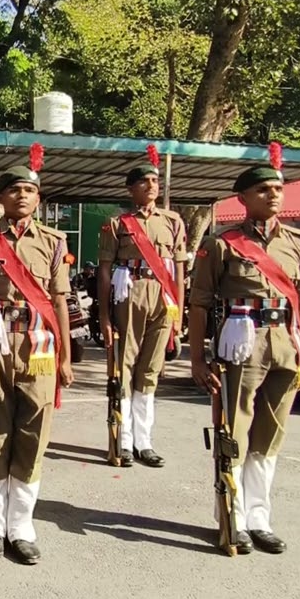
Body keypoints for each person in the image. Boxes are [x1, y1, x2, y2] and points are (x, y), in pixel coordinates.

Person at [189, 142, 300, 555]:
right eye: (263, 190)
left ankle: (260, 517)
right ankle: (232, 515)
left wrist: (299, 342)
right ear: (242, 198)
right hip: (242, 342)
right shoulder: (222, 243)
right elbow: (200, 302)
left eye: (278, 188)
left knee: (270, 434)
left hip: (283, 344)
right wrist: (197, 356)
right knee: (235, 431)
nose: (273, 194)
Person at [0, 143, 74, 564]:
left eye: (30, 189)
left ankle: (20, 527)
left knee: (33, 434)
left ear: (38, 198)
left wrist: (65, 355)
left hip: (39, 345)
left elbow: (59, 300)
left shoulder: (54, 242)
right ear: (1, 196)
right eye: (14, 189)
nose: (22, 195)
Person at [96, 144, 187, 468]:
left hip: (163, 297)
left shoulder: (174, 221)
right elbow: (105, 269)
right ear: (131, 188)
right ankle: (122, 440)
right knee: (125, 366)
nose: (151, 186)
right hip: (129, 292)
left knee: (149, 372)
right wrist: (104, 315)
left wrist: (179, 311)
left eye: (155, 181)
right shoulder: (117, 223)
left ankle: (144, 441)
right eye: (144, 182)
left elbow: (178, 269)